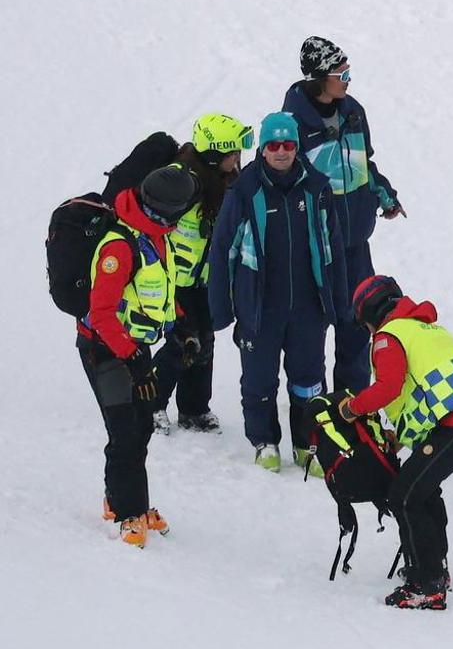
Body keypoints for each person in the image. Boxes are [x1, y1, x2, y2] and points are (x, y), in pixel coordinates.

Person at [320, 275, 453, 610]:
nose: (368, 332)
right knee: (423, 488)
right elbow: (426, 392)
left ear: (370, 314)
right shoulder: (427, 329)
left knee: (404, 495)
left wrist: (350, 408)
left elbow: (389, 388)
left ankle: (426, 583)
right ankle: (435, 569)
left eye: (364, 324)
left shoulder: (390, 337)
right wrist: (399, 438)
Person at [208, 113, 350, 474]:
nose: (282, 152)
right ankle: (264, 441)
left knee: (309, 379)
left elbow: (332, 246)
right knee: (259, 380)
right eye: (274, 145)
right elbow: (223, 250)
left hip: (307, 305)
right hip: (259, 307)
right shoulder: (244, 191)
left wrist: (339, 299)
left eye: (288, 145)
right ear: (263, 149)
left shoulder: (317, 188)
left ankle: (309, 444)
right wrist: (221, 308)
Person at [79, 166, 197, 548]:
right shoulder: (119, 246)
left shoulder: (156, 236)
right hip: (105, 348)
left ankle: (124, 501)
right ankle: (129, 513)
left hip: (133, 346)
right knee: (125, 430)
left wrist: (181, 328)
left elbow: (158, 290)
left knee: (142, 425)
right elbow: (101, 313)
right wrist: (133, 359)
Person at [281, 36, 401, 393]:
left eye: (349, 72)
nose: (348, 80)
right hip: (315, 250)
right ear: (319, 76)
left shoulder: (353, 111)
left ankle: (353, 404)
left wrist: (383, 194)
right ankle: (314, 411)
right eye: (341, 73)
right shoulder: (290, 125)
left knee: (359, 324)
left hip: (355, 246)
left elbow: (364, 164)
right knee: (312, 331)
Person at [147, 113, 253, 436]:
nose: (237, 159)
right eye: (232, 152)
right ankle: (150, 403)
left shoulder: (224, 182)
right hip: (174, 280)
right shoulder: (183, 181)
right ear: (215, 153)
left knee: (205, 339)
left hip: (204, 279)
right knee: (183, 341)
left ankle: (194, 408)